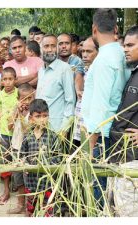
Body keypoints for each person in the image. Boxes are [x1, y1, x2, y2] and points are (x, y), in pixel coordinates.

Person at [81, 9, 129, 208]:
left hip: (102, 135)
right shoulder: (121, 52)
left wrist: (90, 146)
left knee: (98, 191)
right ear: (116, 28)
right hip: (115, 129)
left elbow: (100, 105)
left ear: (94, 29)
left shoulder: (103, 61)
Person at [108, 25, 138, 216]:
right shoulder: (134, 73)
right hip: (122, 154)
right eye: (124, 45)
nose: (125, 49)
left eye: (130, 45)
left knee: (129, 211)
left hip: (133, 157)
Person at [19, 99, 60, 217]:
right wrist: (24, 163)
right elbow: (22, 154)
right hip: (31, 182)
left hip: (47, 183)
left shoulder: (53, 136)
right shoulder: (28, 136)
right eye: (38, 116)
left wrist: (45, 163)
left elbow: (58, 157)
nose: (42, 119)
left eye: (45, 116)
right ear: (31, 118)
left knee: (47, 211)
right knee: (30, 210)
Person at [36, 34, 76, 133]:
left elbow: (70, 100)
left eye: (53, 46)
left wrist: (64, 128)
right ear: (41, 49)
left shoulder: (64, 69)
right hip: (40, 127)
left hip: (57, 129)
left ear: (57, 48)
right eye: (46, 46)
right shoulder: (41, 70)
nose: (50, 50)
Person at [7, 83, 35, 214]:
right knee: (18, 178)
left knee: (28, 179)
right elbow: (9, 126)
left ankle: (30, 207)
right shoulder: (16, 110)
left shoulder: (33, 114)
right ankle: (20, 204)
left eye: (30, 98)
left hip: (28, 151)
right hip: (16, 147)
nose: (27, 102)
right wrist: (16, 111)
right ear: (18, 100)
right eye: (24, 99)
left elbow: (27, 129)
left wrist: (22, 114)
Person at [0, 67, 18, 205]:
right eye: (5, 79)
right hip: (3, 134)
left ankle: (17, 185)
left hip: (17, 135)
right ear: (1, 81)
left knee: (17, 160)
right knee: (4, 162)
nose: (7, 82)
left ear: (15, 80)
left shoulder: (19, 93)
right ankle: (6, 190)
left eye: (10, 79)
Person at [72, 37, 98, 145]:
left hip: (92, 130)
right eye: (83, 51)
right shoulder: (86, 69)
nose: (85, 55)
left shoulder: (99, 72)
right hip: (80, 125)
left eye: (89, 51)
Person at [57, 33, 85, 102]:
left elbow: (78, 75)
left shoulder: (76, 61)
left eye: (67, 43)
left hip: (71, 99)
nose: (64, 46)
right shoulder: (52, 61)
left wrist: (78, 90)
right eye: (60, 44)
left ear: (71, 45)